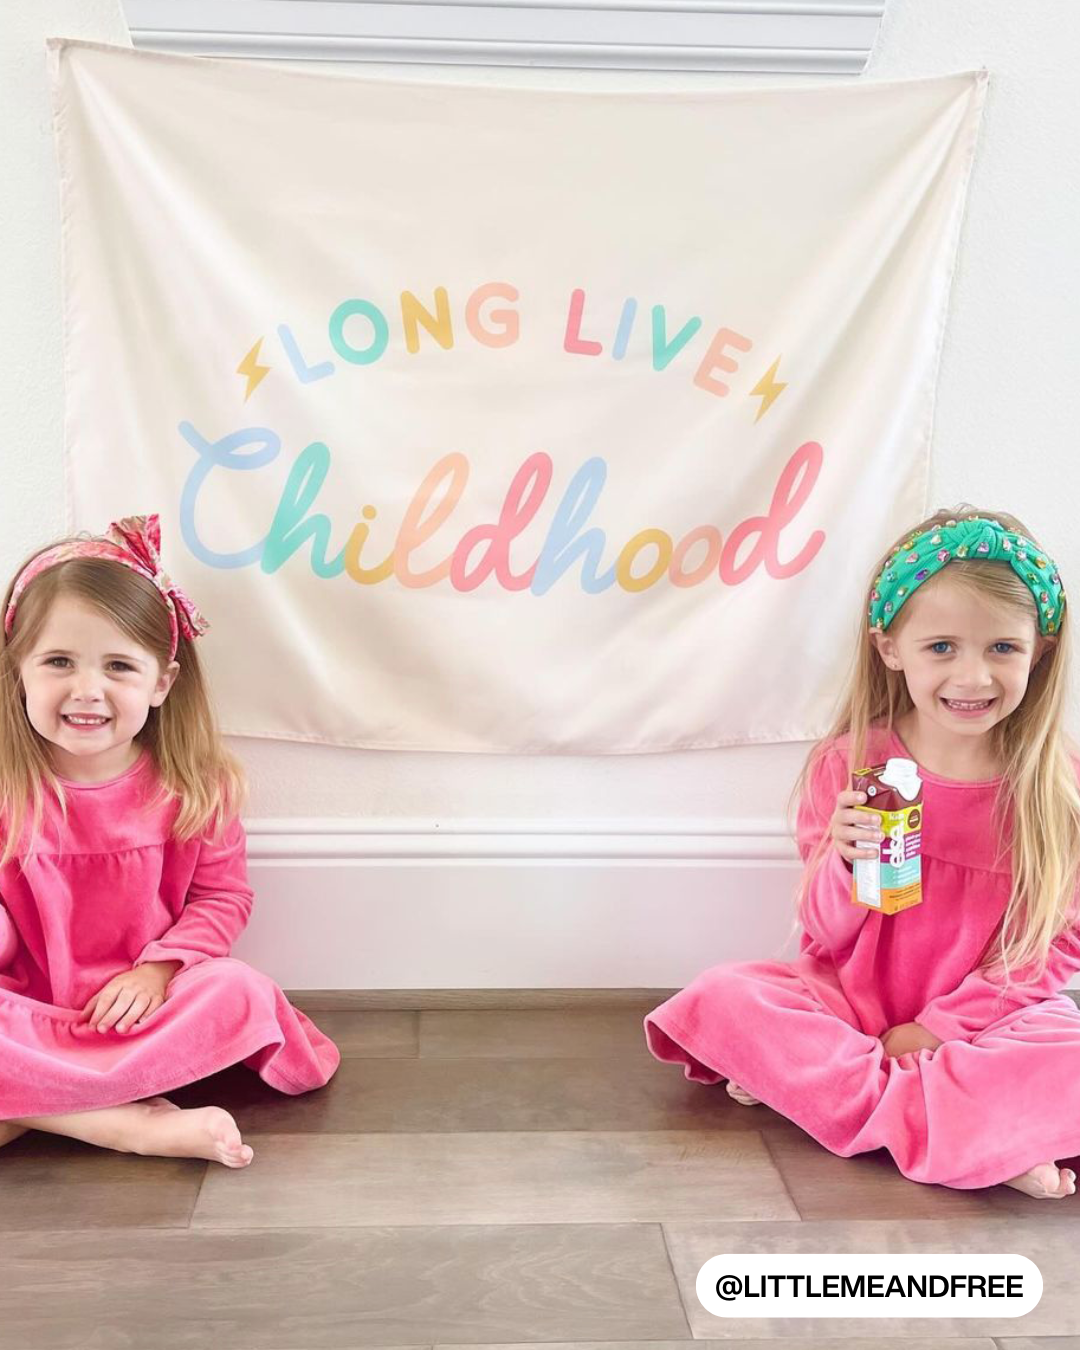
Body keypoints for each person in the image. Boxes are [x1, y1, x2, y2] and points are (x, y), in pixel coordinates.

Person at [645, 506, 1080, 1199]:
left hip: (992, 1016)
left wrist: (938, 1029)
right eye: (942, 647)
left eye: (1002, 647)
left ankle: (847, 1099)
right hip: (851, 1002)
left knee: (1069, 1055)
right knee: (725, 996)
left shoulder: (1058, 786)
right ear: (891, 648)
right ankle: (982, 1138)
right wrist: (845, 865)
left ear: (1041, 652)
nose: (973, 677)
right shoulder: (851, 764)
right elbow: (824, 933)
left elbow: (1056, 949)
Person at [0, 514, 339, 1167]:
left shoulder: (195, 787)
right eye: (59, 661)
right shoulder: (9, 788)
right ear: (19, 671)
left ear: (161, 682)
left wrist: (158, 972)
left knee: (238, 990)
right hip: (30, 1009)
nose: (87, 690)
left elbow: (221, 899)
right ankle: (124, 1125)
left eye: (118, 666)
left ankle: (35, 1105)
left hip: (145, 1009)